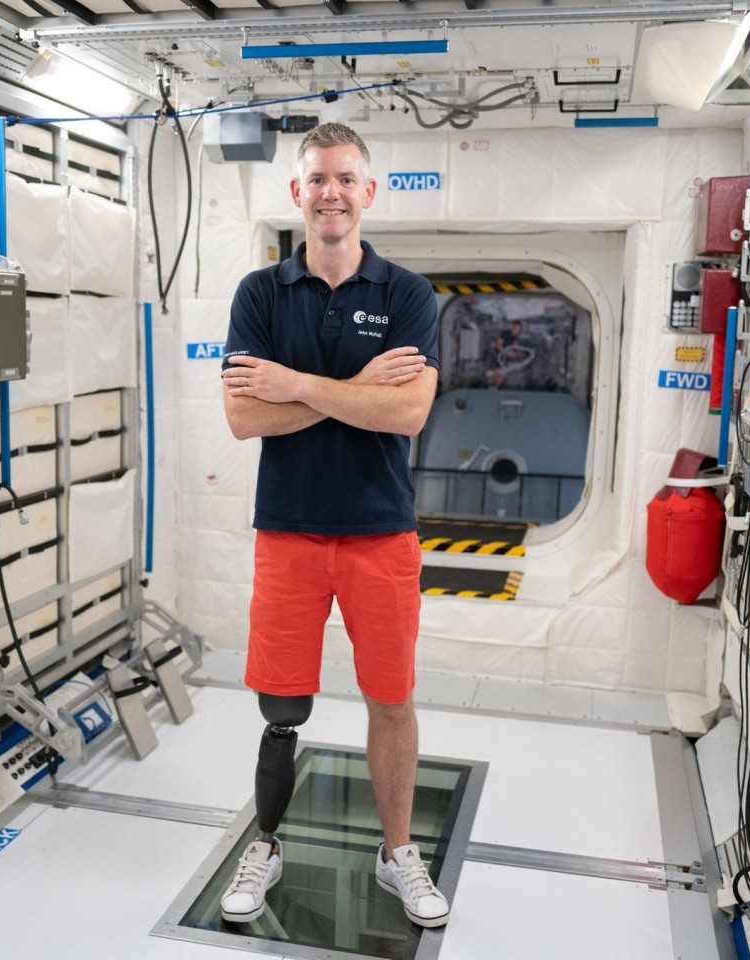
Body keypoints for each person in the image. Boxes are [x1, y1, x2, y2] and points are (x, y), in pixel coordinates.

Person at [217, 122, 450, 930]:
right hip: (288, 531)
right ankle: (266, 842)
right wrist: (353, 390)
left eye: (346, 179)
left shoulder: (407, 295)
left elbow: (409, 411)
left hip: (381, 532)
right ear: (298, 192)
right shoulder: (259, 293)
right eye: (317, 179)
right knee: (282, 704)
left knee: (391, 697)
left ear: (368, 192)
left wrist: (297, 384)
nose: (331, 193)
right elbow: (244, 418)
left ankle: (397, 856)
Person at [486, 318, 524, 388]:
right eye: (516, 328)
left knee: (503, 375)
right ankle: (490, 384)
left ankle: (493, 387)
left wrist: (517, 354)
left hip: (504, 358)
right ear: (513, 326)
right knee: (500, 374)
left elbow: (515, 347)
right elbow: (498, 345)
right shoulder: (506, 334)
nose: (517, 331)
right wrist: (507, 352)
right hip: (498, 356)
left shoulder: (514, 337)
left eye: (519, 330)